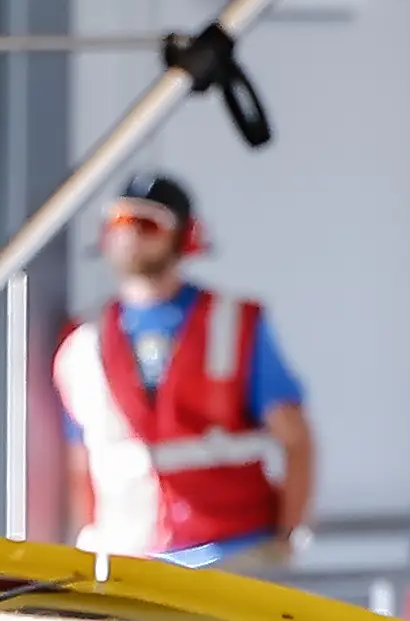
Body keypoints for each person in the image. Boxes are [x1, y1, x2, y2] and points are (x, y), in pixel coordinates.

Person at [45, 174, 308, 566]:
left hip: (235, 552)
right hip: (129, 556)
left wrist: (289, 536)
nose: (130, 235)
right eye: (120, 221)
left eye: (148, 224)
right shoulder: (81, 344)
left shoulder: (234, 324)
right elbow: (78, 462)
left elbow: (296, 438)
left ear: (185, 236)